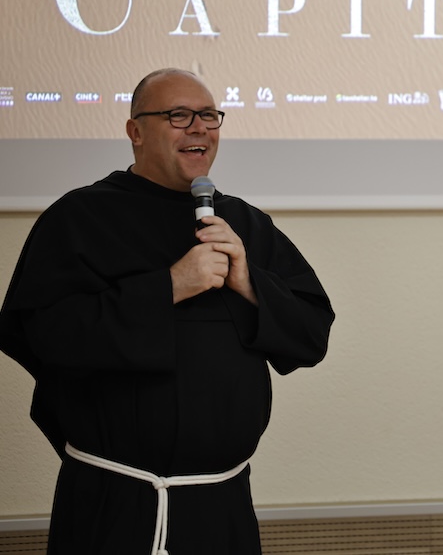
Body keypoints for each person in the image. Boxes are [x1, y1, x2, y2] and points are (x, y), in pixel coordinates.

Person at [0, 68, 335, 555]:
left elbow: (311, 336)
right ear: (135, 131)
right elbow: (45, 338)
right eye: (178, 115)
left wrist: (248, 281)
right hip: (111, 502)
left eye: (209, 115)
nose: (199, 127)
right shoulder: (78, 218)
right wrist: (170, 286)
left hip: (220, 504)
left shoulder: (245, 224)